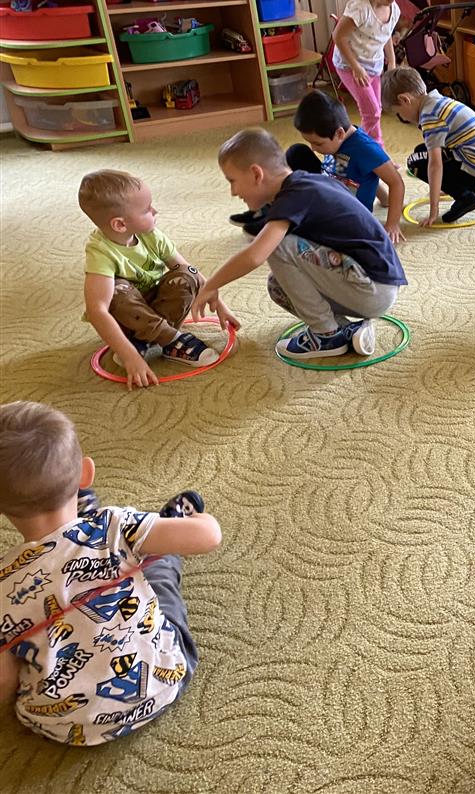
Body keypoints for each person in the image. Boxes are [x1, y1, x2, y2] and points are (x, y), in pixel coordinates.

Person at [0, 400, 222, 746]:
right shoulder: (114, 526)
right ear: (86, 473)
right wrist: (200, 520)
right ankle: (165, 521)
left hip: (61, 727)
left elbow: (4, 680)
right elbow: (208, 537)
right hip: (163, 682)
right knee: (158, 567)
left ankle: (82, 518)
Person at [194, 128, 407, 360]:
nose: (233, 192)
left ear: (256, 173)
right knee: (278, 287)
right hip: (372, 285)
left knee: (278, 245)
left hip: (372, 287)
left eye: (232, 181)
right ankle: (344, 330)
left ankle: (326, 335)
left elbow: (255, 256)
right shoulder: (307, 184)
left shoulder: (294, 197)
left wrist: (210, 285)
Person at [78, 170, 238, 391]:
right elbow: (97, 310)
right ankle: (168, 340)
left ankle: (155, 338)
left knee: (187, 273)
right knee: (116, 290)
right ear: (120, 225)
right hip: (127, 320)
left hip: (156, 309)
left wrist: (219, 304)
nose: (155, 211)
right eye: (147, 209)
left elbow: (186, 268)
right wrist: (129, 356)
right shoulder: (100, 252)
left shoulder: (150, 234)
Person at [381, 66, 475, 226]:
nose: (403, 118)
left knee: (415, 162)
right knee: (421, 151)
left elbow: (435, 165)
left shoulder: (430, 116)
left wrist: (433, 207)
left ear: (405, 100)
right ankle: (474, 189)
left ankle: (465, 196)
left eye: (399, 113)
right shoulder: (435, 100)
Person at [286, 89, 406, 244]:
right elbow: (363, 173)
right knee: (296, 152)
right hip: (330, 187)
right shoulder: (337, 140)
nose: (313, 149)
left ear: (339, 133)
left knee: (301, 225)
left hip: (347, 211)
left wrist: (392, 224)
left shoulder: (365, 149)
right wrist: (385, 199)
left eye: (318, 143)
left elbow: (396, 182)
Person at [331, 0, 403, 145]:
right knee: (372, 112)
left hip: (373, 65)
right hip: (350, 65)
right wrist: (355, 67)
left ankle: (365, 148)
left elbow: (385, 34)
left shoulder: (394, 9)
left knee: (376, 109)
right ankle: (377, 154)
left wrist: (392, 62)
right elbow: (338, 36)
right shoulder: (359, 8)